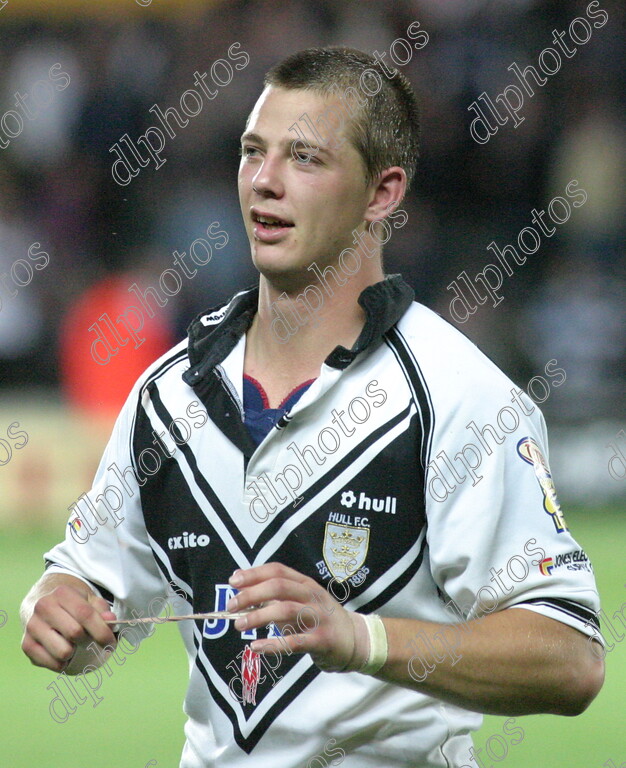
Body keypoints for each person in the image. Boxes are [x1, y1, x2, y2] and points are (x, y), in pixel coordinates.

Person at [20, 47, 604, 768]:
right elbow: (86, 579)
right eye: (252, 152)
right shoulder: (167, 396)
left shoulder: (462, 397)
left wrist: (362, 638)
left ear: (383, 193)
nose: (264, 182)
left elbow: (571, 658)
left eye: (304, 158)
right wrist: (57, 607)